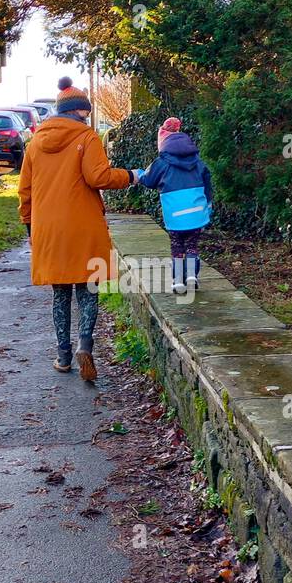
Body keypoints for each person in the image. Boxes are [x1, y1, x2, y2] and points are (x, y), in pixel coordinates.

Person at [19, 76, 136, 380]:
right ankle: (85, 344)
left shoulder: (34, 144)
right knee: (89, 289)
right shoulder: (87, 137)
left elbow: (25, 191)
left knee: (60, 293)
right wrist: (132, 176)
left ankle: (63, 355)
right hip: (83, 227)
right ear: (81, 112)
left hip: (49, 229)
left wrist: (30, 227)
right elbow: (99, 177)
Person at [135, 117, 212, 293]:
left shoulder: (161, 162)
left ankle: (178, 281)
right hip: (196, 212)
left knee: (177, 245)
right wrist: (208, 204)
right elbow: (207, 182)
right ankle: (192, 276)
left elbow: (149, 180)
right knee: (192, 244)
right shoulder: (197, 162)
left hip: (175, 214)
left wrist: (140, 174)